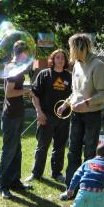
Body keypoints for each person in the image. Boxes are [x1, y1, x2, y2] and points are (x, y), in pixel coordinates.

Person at [58, 33, 104, 200]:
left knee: (89, 153)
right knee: (73, 151)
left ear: (80, 47)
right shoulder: (76, 66)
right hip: (76, 115)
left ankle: (88, 188)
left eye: (71, 47)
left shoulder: (98, 65)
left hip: (92, 116)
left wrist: (87, 103)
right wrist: (66, 104)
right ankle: (71, 188)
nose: (70, 51)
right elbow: (75, 92)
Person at [25, 49, 72, 183]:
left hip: (63, 118)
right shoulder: (44, 74)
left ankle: (57, 173)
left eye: (63, 58)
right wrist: (39, 112)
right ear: (53, 59)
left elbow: (73, 95)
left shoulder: (69, 76)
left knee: (60, 147)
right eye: (57, 57)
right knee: (42, 146)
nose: (60, 60)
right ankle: (36, 173)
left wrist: (66, 105)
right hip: (46, 117)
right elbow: (34, 95)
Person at [0, 40, 34, 199]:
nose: (27, 59)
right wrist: (26, 91)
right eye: (26, 55)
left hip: (17, 114)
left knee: (17, 150)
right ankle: (4, 186)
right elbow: (9, 93)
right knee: (9, 151)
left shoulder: (17, 68)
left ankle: (15, 181)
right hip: (11, 116)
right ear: (20, 53)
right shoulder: (13, 68)